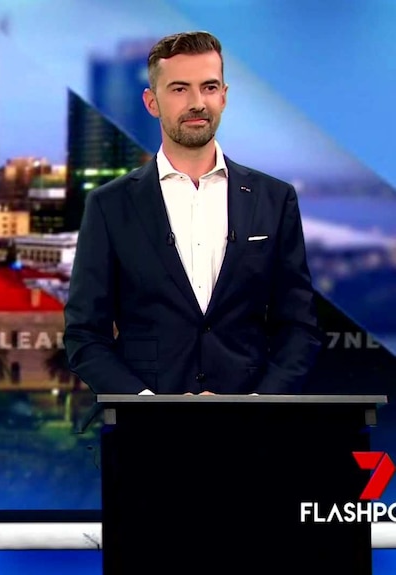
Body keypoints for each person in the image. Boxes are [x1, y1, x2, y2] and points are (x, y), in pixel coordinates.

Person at [63, 31, 321, 395]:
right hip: (146, 431)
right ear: (152, 102)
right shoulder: (110, 205)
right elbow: (85, 335)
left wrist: (259, 403)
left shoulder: (274, 199)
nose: (198, 102)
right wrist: (147, 405)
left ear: (224, 96)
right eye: (180, 89)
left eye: (209, 87)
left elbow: (299, 327)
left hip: (253, 429)